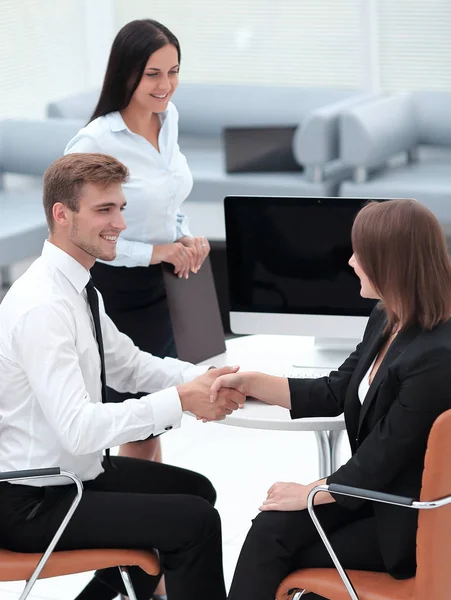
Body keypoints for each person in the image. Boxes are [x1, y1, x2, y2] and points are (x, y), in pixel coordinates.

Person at [0, 153, 244, 600]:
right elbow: (78, 429)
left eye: (121, 208)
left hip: (76, 477)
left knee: (197, 491)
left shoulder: (77, 287)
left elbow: (130, 364)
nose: (121, 224)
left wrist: (211, 377)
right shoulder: (44, 306)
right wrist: (182, 401)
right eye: (104, 210)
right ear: (62, 214)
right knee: (195, 523)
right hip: (34, 500)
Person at [209, 198, 451, 600]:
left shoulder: (437, 358)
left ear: (390, 262)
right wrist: (252, 382)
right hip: (369, 497)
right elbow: (336, 390)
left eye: (361, 253)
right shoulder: (387, 316)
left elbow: (381, 459)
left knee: (281, 548)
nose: (352, 261)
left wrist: (310, 492)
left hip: (407, 522)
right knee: (270, 529)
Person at [64, 19, 210, 468]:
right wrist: (154, 252)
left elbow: (167, 196)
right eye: (153, 74)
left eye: (173, 71)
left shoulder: (169, 120)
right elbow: (79, 228)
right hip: (117, 287)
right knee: (135, 417)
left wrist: (182, 234)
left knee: (157, 416)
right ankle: (131, 520)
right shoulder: (96, 141)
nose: (165, 85)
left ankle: (148, 519)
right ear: (127, 73)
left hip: (167, 283)